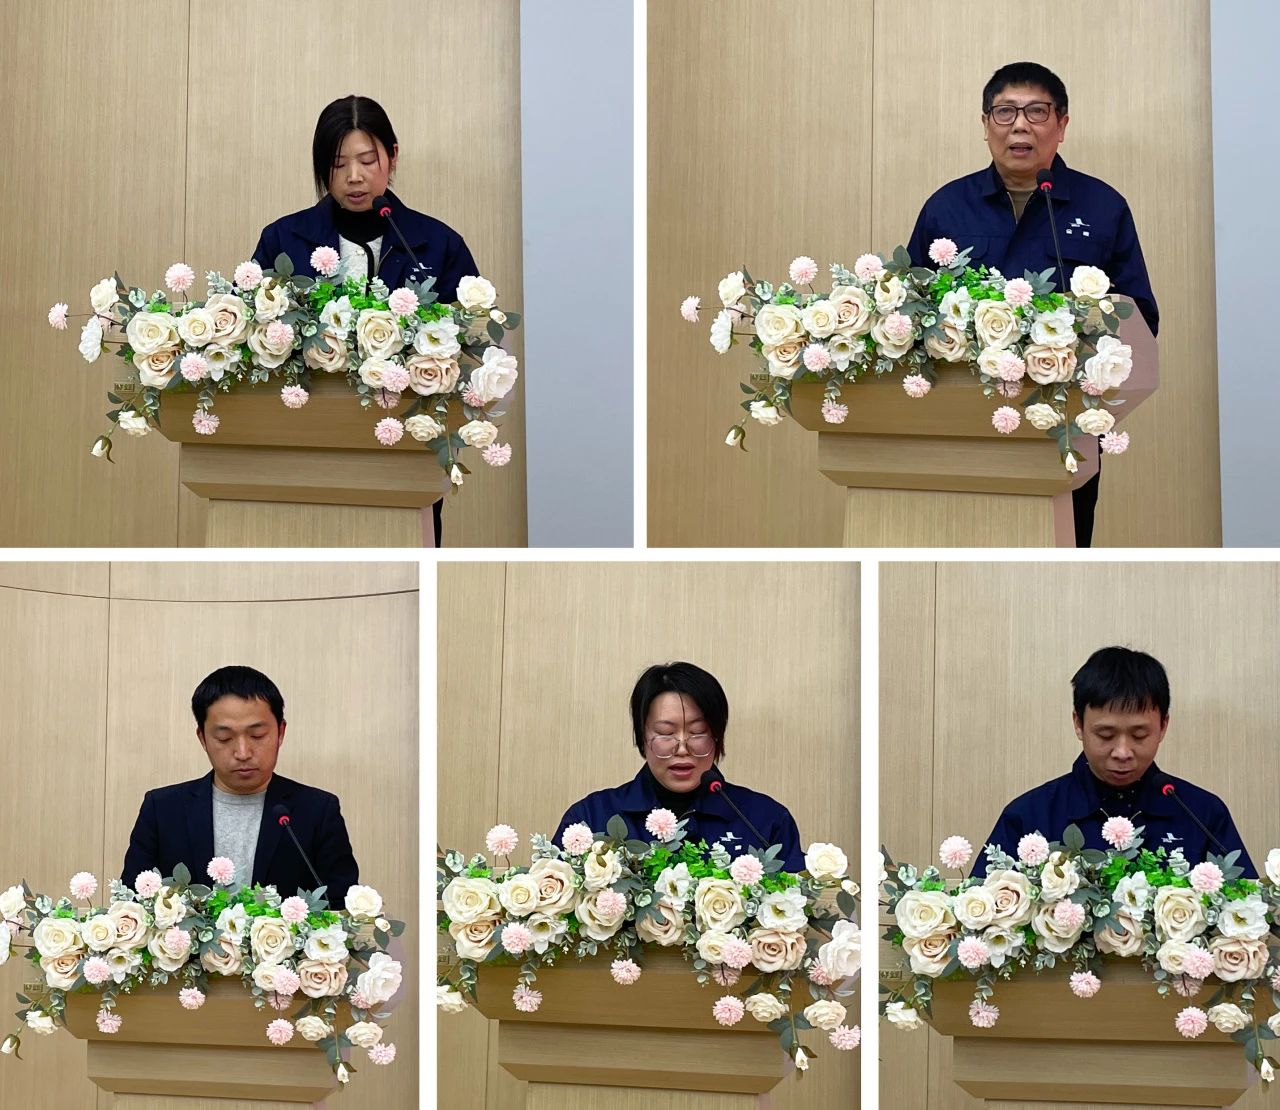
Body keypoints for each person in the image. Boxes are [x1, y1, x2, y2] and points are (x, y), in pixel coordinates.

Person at [906, 62, 1159, 548]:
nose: (1020, 125)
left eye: (1037, 112)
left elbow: (1141, 317)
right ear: (985, 125)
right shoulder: (947, 207)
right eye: (1005, 112)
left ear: (1061, 124)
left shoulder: (1102, 207)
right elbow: (910, 311)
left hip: (1063, 428)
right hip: (960, 427)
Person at [252, 95, 479, 548]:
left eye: (367, 160)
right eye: (338, 164)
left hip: (404, 458)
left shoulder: (436, 244)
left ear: (392, 156)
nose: (354, 176)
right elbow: (252, 333)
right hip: (300, 455)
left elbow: (471, 348)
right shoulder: (283, 240)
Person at [973, 647, 1255, 877]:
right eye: (1105, 735)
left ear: (1163, 726)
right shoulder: (1029, 816)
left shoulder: (1202, 814)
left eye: (1139, 735)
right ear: (1078, 724)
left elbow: (1246, 907)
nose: (1122, 752)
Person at [121, 665, 360, 903]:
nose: (243, 752)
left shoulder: (317, 811)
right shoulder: (163, 809)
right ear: (203, 738)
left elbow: (341, 906)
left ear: (280, 732)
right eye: (224, 738)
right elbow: (131, 905)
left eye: (257, 735)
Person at [553, 662, 805, 871]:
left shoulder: (764, 820)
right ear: (642, 737)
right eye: (665, 733)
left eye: (698, 732)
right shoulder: (591, 818)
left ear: (717, 737)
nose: (682, 748)